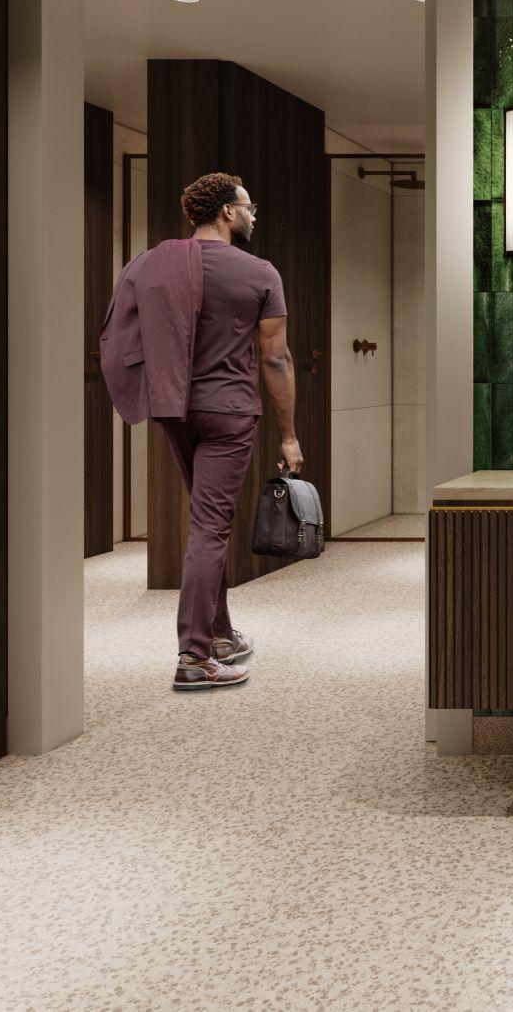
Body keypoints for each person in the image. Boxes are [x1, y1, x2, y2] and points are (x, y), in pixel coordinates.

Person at [100, 172, 303, 690]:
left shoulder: (150, 264)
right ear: (227, 212)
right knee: (210, 528)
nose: (253, 215)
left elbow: (121, 332)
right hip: (229, 412)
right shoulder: (259, 273)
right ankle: (194, 656)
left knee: (207, 522)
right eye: (248, 207)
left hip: (174, 408)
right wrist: (288, 434)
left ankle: (220, 634)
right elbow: (275, 358)